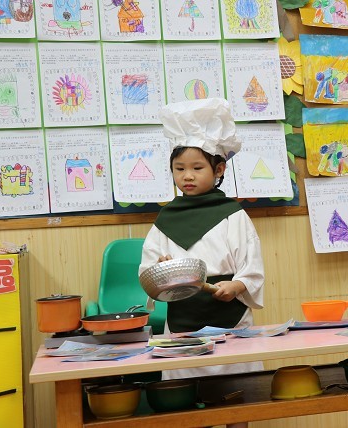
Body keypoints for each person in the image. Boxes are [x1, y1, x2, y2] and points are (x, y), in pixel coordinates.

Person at [139, 98, 265, 428]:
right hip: (182, 322)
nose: (187, 176)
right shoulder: (165, 220)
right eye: (179, 169)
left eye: (197, 168)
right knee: (187, 403)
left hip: (231, 320)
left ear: (219, 170)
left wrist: (236, 285)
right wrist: (160, 271)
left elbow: (252, 267)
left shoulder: (234, 215)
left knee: (237, 397)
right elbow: (147, 272)